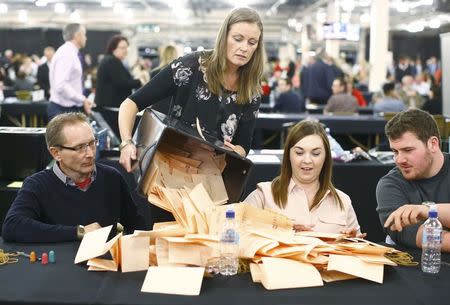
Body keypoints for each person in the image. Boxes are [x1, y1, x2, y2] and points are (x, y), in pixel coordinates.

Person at [118, 7, 264, 172]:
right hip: (170, 168)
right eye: (238, 39)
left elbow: (244, 142)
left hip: (213, 176)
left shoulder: (252, 89)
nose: (244, 47)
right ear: (224, 37)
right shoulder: (192, 65)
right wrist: (126, 143)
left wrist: (237, 152)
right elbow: (131, 104)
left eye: (252, 42)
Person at [1, 112, 147, 243]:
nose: (90, 153)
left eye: (92, 143)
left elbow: (135, 223)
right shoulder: (37, 185)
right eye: (79, 148)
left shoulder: (112, 177)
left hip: (106, 267)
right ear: (56, 153)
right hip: (59, 269)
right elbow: (12, 226)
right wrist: (78, 231)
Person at [245, 120, 363, 235]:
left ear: (326, 157)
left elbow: (359, 249)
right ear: (288, 156)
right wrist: (280, 229)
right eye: (299, 153)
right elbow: (234, 237)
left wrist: (351, 243)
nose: (307, 160)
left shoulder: (343, 201)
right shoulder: (263, 195)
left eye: (315, 154)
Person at [376, 109, 450, 252]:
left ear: (433, 144)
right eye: (395, 151)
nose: (399, 160)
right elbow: (414, 236)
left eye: (408, 150)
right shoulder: (390, 185)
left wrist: (427, 210)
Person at [95, 35, 144, 137]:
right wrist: (139, 81)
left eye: (127, 48)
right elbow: (122, 82)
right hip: (110, 110)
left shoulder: (112, 61)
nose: (125, 50)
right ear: (113, 48)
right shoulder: (112, 61)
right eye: (122, 48)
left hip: (111, 108)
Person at [48, 23, 94, 120]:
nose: (86, 38)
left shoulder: (70, 52)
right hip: (62, 109)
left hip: (68, 108)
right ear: (77, 35)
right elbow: (60, 85)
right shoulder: (66, 54)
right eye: (84, 34)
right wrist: (82, 99)